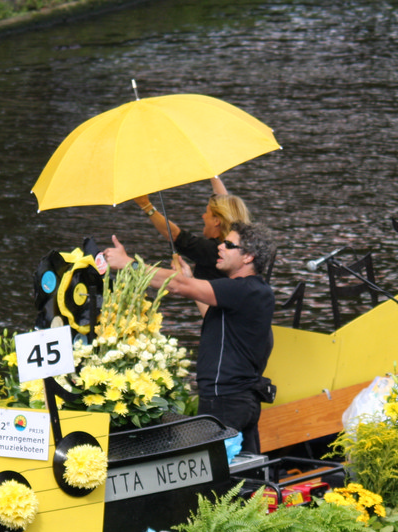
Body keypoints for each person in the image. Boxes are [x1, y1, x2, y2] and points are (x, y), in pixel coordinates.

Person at [105, 222, 276, 453]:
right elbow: (209, 313)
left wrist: (128, 264)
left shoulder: (242, 289)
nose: (220, 247)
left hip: (225, 401)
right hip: (240, 400)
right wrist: (190, 278)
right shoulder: (252, 291)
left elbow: (177, 286)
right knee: (248, 469)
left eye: (229, 244)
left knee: (217, 471)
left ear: (248, 257)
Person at [132, 176, 252, 281]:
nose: (203, 216)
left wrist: (146, 205)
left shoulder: (213, 249)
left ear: (217, 221)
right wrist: (211, 173)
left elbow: (175, 236)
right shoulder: (239, 246)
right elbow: (225, 203)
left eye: (206, 213)